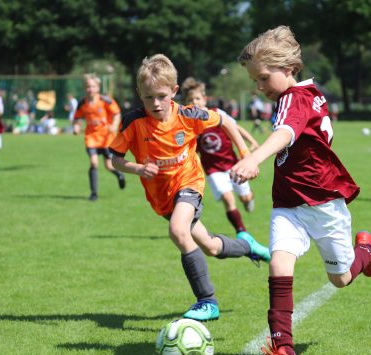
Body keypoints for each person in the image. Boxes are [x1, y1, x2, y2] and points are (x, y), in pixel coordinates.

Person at [234, 25, 371, 355]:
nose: (259, 87)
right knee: (279, 265)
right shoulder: (305, 93)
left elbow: (284, 134)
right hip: (288, 202)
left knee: (341, 278)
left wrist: (255, 158)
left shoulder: (295, 99)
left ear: (287, 68)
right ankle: (284, 352)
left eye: (263, 78)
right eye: (255, 81)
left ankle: (364, 250)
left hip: (322, 201)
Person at [109, 54, 271, 322]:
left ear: (174, 91)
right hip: (162, 199)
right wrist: (137, 168)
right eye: (148, 97)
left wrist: (245, 154)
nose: (156, 104)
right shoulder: (133, 122)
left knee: (177, 230)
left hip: (189, 183)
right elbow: (115, 158)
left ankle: (207, 301)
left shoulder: (187, 114)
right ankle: (247, 246)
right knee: (211, 247)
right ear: (140, 94)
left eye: (162, 96)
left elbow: (227, 121)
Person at [181, 77, 260, 233]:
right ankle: (241, 231)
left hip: (232, 164)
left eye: (197, 98)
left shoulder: (217, 114)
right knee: (228, 199)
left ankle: (248, 199)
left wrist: (252, 141)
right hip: (212, 169)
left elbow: (235, 128)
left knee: (245, 197)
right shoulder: (187, 123)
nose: (194, 102)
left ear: (204, 99)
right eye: (190, 100)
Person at [74, 74, 126, 201]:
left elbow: (117, 113)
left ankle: (119, 174)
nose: (90, 89)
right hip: (91, 137)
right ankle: (93, 194)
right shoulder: (82, 103)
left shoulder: (106, 100)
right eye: (87, 86)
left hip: (106, 138)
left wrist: (114, 126)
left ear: (97, 87)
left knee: (108, 166)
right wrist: (76, 126)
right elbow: (77, 117)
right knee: (93, 163)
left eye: (92, 86)